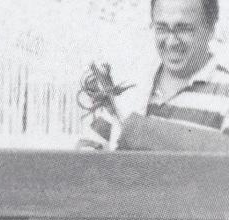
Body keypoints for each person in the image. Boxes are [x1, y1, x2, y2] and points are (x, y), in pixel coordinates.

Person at [80, 0, 229, 149]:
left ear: (211, 30)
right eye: (162, 28)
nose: (171, 42)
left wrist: (141, 131)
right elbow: (82, 159)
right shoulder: (132, 86)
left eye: (184, 29)